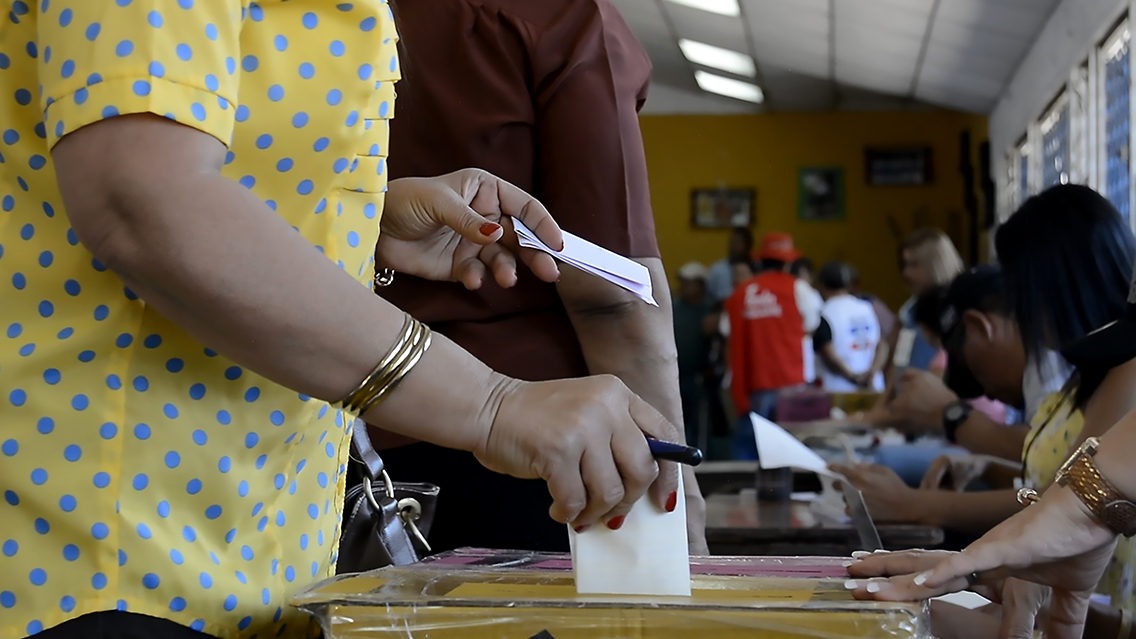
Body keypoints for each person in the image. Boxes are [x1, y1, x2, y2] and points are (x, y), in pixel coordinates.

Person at [0, 3, 684, 638]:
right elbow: (140, 199)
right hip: (100, 540)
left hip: (251, 535)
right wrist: (493, 402)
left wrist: (362, 224)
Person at [370, 0, 707, 554]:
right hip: (543, 445)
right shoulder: (560, 16)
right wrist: (679, 501)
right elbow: (612, 295)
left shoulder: (317, 16)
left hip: (350, 424)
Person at [840, 185, 1136, 622]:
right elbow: (1067, 496)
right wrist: (989, 468)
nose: (1022, 315)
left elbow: (1070, 501)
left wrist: (917, 506)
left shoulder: (1124, 369)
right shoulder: (1089, 368)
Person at [725, 233, 821, 459]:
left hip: (754, 383)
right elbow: (812, 324)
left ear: (760, 261)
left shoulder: (742, 293)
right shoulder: (799, 288)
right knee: (790, 446)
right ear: (788, 262)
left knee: (751, 446)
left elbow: (728, 334)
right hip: (793, 380)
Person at [813, 261, 886, 392]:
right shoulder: (866, 307)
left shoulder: (823, 313)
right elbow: (881, 345)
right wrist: (872, 373)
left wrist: (855, 378)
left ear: (821, 285)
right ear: (847, 284)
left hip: (840, 392)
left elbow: (828, 354)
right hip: (873, 388)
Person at [673, 262, 713, 446]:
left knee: (700, 426)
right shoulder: (674, 309)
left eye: (689, 282)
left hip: (699, 378)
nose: (684, 287)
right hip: (674, 376)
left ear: (701, 285)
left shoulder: (709, 311)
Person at [707, 227, 754, 303]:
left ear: (748, 245)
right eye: (733, 241)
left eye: (739, 242)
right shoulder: (718, 269)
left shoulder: (757, 268)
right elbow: (710, 295)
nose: (734, 246)